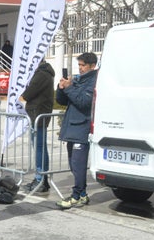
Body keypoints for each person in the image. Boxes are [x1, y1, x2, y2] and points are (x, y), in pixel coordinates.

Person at [55, 52, 98, 209]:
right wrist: (61, 88)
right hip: (72, 126)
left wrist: (69, 89)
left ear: (92, 66)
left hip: (82, 127)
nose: (79, 68)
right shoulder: (78, 80)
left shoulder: (94, 81)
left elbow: (84, 102)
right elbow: (61, 100)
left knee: (78, 164)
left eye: (82, 65)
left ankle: (76, 195)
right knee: (73, 164)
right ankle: (82, 194)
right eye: (78, 65)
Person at [21, 60, 55, 193]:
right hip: (37, 114)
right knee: (40, 148)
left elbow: (27, 94)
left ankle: (40, 178)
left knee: (39, 148)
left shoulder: (42, 74)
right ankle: (42, 178)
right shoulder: (42, 73)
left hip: (38, 115)